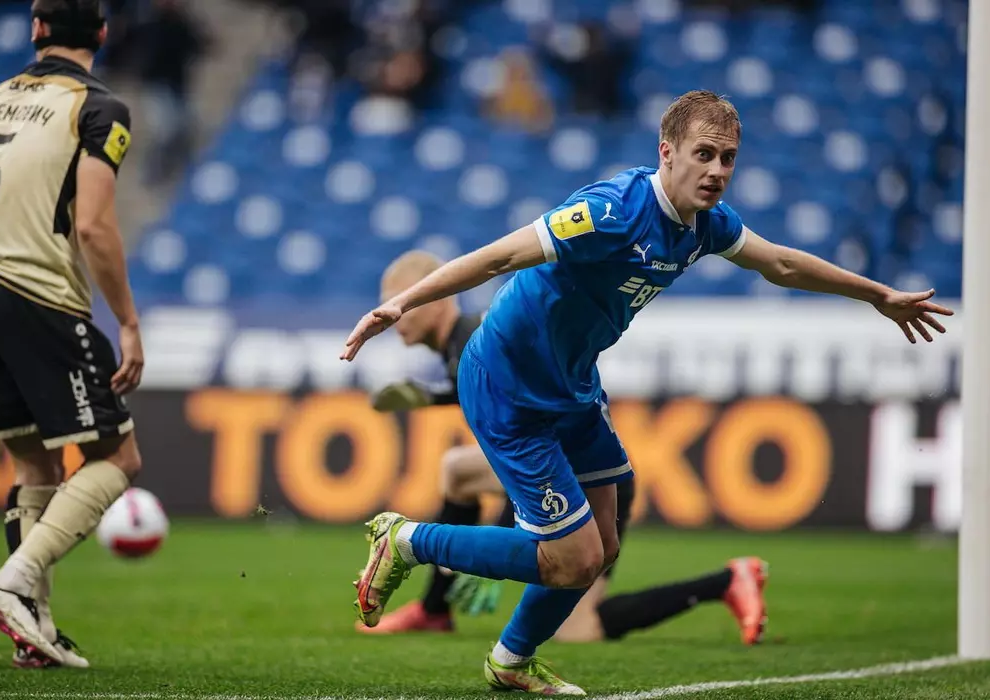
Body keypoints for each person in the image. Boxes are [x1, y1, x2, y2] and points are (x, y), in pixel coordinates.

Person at [342, 90, 952, 695]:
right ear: (667, 152)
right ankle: (407, 541)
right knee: (572, 558)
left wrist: (878, 295)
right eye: (704, 154)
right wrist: (403, 303)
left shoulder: (707, 225)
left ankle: (511, 660)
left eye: (728, 158)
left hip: (573, 385)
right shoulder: (611, 210)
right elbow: (501, 256)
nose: (717, 171)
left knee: (602, 547)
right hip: (508, 383)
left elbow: (782, 264)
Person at [359, 250, 768, 645]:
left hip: (585, 475)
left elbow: (525, 442)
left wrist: (495, 549)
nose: (395, 314)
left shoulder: (471, 340)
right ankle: (434, 611)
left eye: (401, 301)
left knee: (579, 627)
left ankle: (726, 582)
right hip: (570, 464)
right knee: (458, 471)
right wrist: (431, 397)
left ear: (437, 297)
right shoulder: (465, 341)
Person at [0, 0, 144, 669]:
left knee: (36, 466)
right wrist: (129, 322)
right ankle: (13, 581)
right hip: (35, 293)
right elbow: (93, 226)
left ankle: (37, 631)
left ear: (36, 30)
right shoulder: (98, 108)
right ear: (102, 34)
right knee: (118, 458)